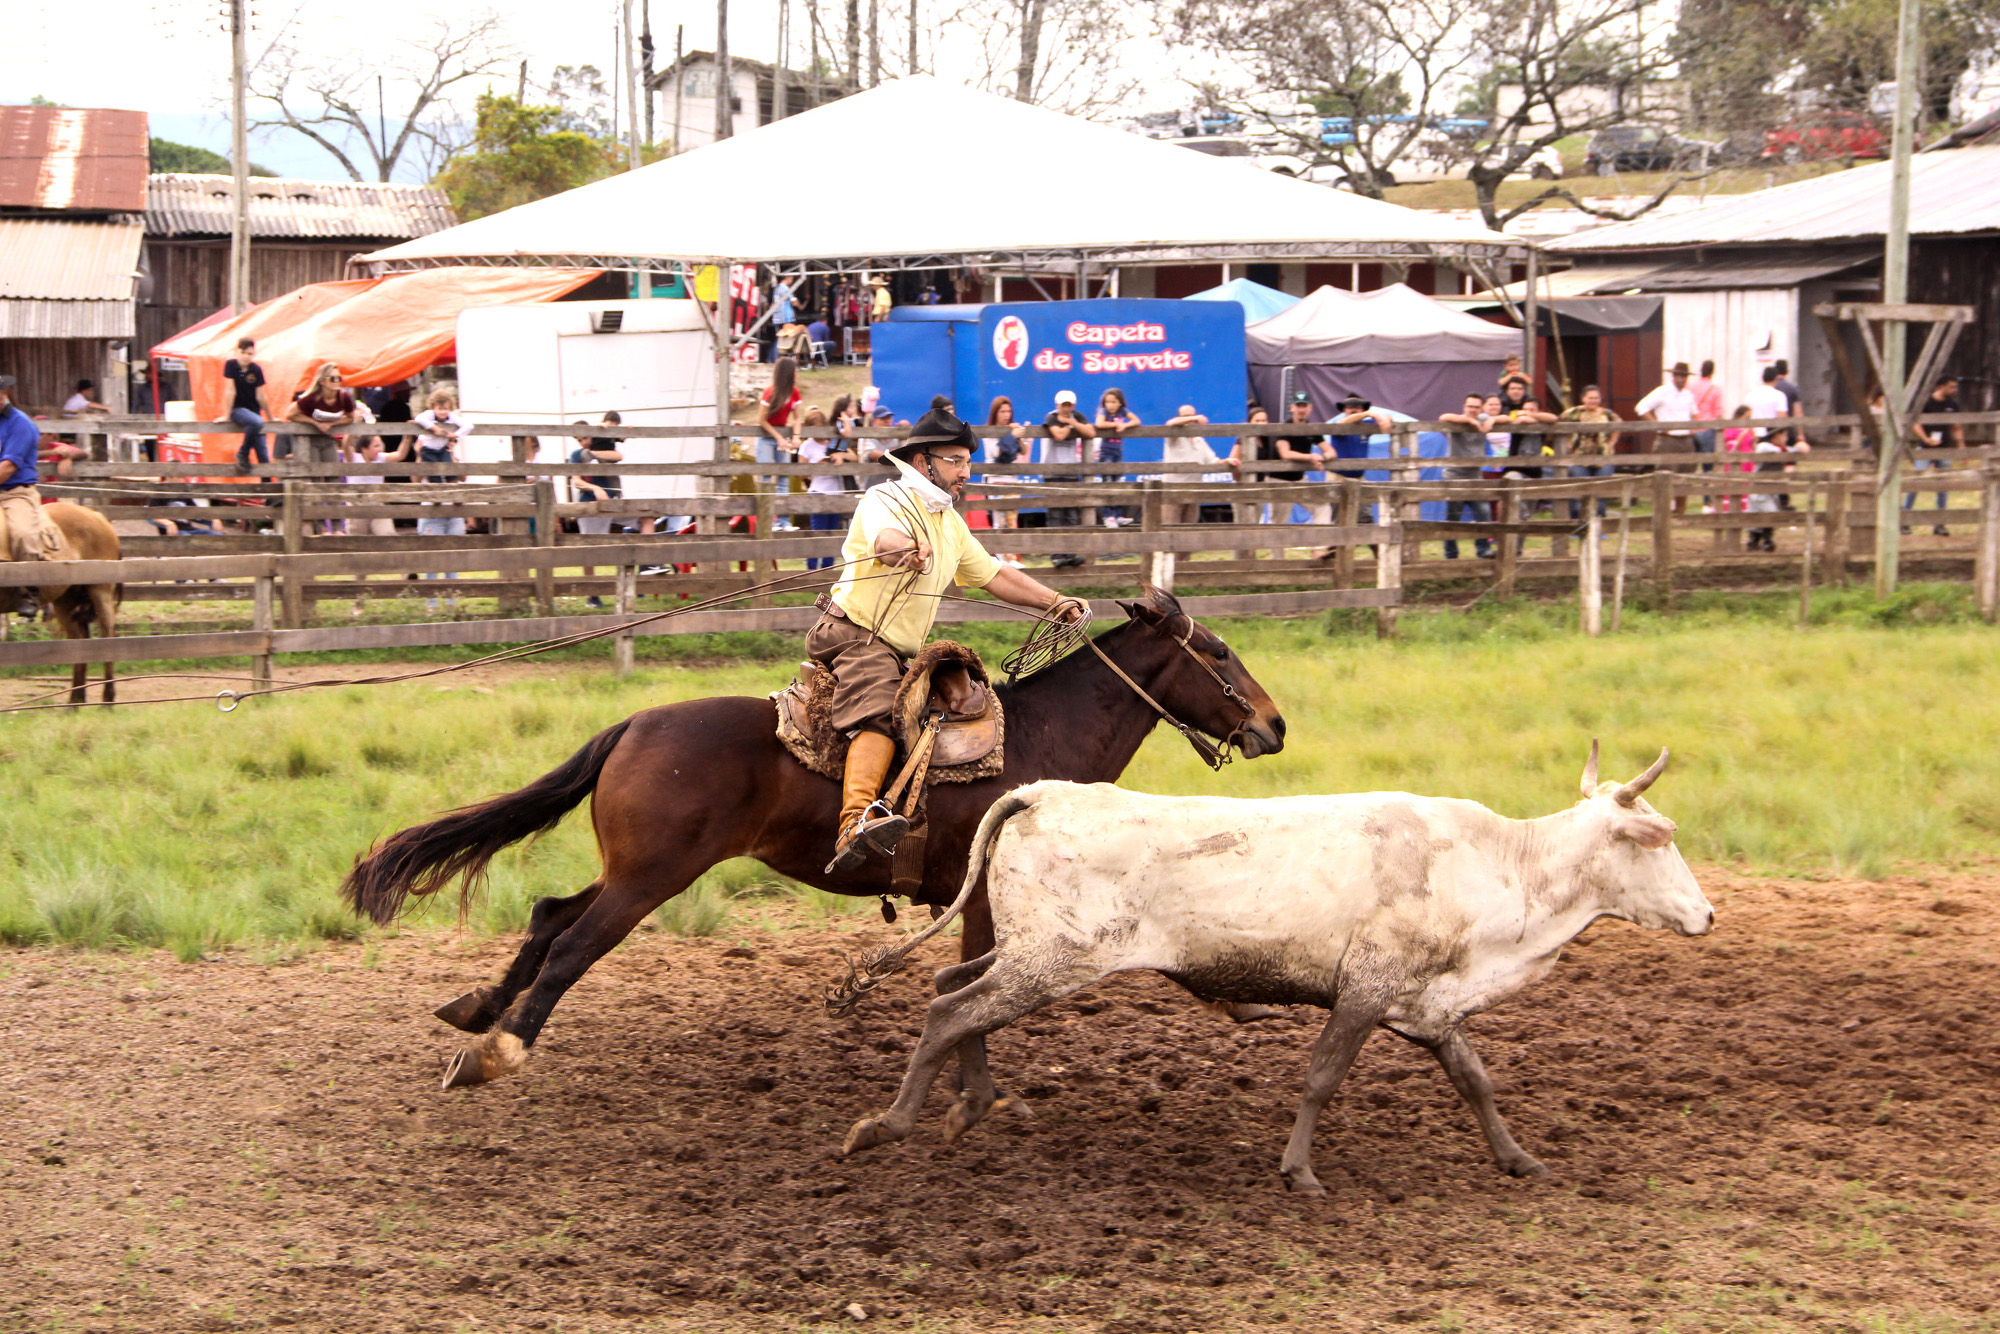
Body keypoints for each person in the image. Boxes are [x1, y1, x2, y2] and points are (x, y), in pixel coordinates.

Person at [806, 399, 1087, 872]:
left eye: (968, 462)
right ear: (922, 463)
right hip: (853, 634)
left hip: (895, 646)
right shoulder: (886, 500)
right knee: (881, 709)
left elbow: (995, 575)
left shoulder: (949, 522)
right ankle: (853, 821)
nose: (966, 472)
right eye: (955, 461)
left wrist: (1055, 602)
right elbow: (884, 539)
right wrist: (904, 551)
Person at [0, 375, 60, 614]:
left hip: (15, 492)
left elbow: (7, 468)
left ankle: (29, 592)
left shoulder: (20, 423)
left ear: (3, 393)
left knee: (23, 533)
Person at [412, 387, 464, 609]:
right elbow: (416, 478)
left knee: (452, 557)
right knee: (432, 558)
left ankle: (451, 602)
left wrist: (452, 451)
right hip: (431, 511)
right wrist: (418, 453)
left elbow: (462, 475)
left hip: (451, 511)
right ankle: (432, 603)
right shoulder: (424, 446)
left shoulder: (449, 450)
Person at [1437, 392, 1495, 559]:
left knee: (1483, 512)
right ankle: (1451, 553)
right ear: (1464, 407)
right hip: (1454, 474)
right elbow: (1443, 417)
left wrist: (1493, 420)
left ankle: (1483, 550)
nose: (1473, 410)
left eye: (1477, 407)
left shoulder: (1484, 419)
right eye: (1470, 406)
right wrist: (1470, 421)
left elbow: (1508, 419)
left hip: (1475, 474)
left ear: (1481, 408)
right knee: (1453, 517)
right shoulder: (1458, 420)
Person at [1042, 389, 1096, 567]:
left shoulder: (1076, 416)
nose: (1066, 408)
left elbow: (1091, 432)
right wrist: (1071, 425)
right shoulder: (1051, 416)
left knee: (1072, 516)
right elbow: (1059, 435)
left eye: (1069, 405)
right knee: (1056, 516)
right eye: (1064, 405)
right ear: (1057, 405)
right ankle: (1058, 555)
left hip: (1071, 472)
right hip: (1053, 472)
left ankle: (1070, 554)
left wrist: (1071, 422)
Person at [1635, 361, 1698, 511]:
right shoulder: (1662, 391)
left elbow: (1694, 412)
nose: (1681, 379)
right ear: (1673, 376)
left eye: (1684, 376)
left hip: (1685, 439)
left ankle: (1680, 512)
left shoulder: (1688, 394)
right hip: (1667, 439)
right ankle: (1663, 512)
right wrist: (1657, 425)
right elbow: (1641, 407)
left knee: (1685, 477)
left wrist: (1693, 427)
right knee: (1665, 477)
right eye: (1679, 375)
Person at [795, 406, 851, 572]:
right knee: (818, 532)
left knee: (833, 532)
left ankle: (827, 569)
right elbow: (800, 473)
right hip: (818, 491)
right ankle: (812, 570)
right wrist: (817, 467)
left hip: (836, 491)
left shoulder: (835, 441)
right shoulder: (807, 445)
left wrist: (841, 456)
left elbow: (854, 456)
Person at [1907, 375, 1963, 535]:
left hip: (1944, 447)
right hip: (1925, 447)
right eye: (1951, 387)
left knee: (1943, 485)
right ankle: (1905, 518)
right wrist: (1925, 438)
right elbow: (1915, 423)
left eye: (1955, 387)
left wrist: (1961, 445)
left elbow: (1956, 426)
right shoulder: (1926, 402)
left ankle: (1940, 523)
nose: (1955, 390)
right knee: (1915, 482)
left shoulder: (1953, 404)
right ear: (1941, 386)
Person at [1559, 384, 1622, 522]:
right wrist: (1568, 443)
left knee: (1600, 491)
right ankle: (1577, 524)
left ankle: (1599, 524)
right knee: (1578, 490)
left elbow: (1619, 425)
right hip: (1579, 457)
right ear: (1583, 398)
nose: (1593, 401)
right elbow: (1559, 422)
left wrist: (1612, 442)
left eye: (1596, 398)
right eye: (1590, 398)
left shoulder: (1607, 414)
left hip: (1603, 458)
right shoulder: (1575, 413)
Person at [284, 363, 357, 464]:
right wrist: (315, 423)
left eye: (339, 378)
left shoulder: (344, 397)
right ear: (322, 381)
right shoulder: (312, 398)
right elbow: (290, 414)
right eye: (332, 378)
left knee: (333, 474)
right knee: (315, 474)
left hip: (329, 438)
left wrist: (331, 424)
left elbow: (350, 417)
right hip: (311, 439)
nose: (336, 381)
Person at [986, 396, 1029, 566]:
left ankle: (1012, 557)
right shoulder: (990, 430)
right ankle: (1002, 559)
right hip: (995, 479)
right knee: (999, 521)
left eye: (1008, 411)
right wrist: (1012, 435)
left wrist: (1017, 436)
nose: (1006, 414)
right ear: (995, 413)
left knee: (1011, 519)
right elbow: (996, 452)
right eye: (1002, 411)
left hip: (1011, 478)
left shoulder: (1013, 429)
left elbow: (1024, 450)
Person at [1160, 405, 1218, 526]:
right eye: (1186, 417)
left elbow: (1213, 460)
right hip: (1173, 491)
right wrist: (1196, 418)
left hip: (1193, 490)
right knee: (1170, 529)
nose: (1191, 420)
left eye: (1192, 416)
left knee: (1190, 529)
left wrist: (1228, 461)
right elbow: (1170, 423)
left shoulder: (1199, 439)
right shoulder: (1174, 436)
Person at [222, 338, 272, 470]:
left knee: (264, 456)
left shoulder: (256, 369)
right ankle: (243, 453)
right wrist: (226, 415)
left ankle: (267, 487)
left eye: (249, 354)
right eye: (243, 353)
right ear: (237, 351)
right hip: (237, 409)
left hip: (254, 412)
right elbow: (230, 391)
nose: (246, 356)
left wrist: (271, 417)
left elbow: (261, 396)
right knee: (256, 422)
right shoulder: (231, 365)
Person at [1094, 387, 1138, 526]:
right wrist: (1115, 424)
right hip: (1106, 452)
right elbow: (1099, 423)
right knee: (1107, 483)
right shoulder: (1103, 412)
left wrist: (1125, 426)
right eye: (1108, 402)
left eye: (1113, 402)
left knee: (1118, 483)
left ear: (1120, 403)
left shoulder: (1122, 411)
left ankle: (1118, 515)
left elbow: (1136, 420)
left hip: (1118, 452)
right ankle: (1108, 516)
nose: (1110, 405)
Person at [1688, 358, 1724, 469]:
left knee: (1691, 460)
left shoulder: (1690, 387)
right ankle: (1705, 484)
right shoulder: (1715, 389)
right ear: (1712, 372)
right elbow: (1718, 413)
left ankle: (1688, 482)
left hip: (1692, 428)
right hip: (1707, 428)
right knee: (1708, 462)